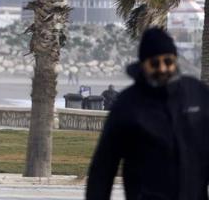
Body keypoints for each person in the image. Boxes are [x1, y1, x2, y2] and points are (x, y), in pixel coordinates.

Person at [85, 28, 209, 200]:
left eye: (168, 61)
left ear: (175, 61)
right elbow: (103, 169)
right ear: (143, 64)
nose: (163, 68)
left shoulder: (198, 94)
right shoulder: (127, 104)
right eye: (155, 63)